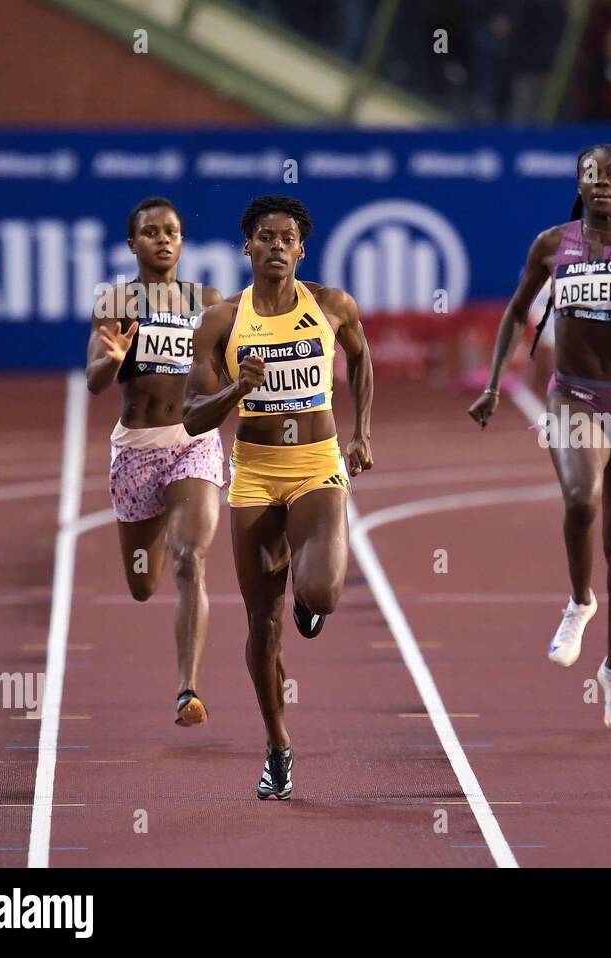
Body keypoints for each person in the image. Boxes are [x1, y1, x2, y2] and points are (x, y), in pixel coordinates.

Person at [468, 144, 611, 731]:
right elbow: (516, 311)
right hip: (573, 396)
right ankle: (579, 602)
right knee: (581, 499)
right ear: (580, 185)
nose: (601, 184)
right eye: (590, 175)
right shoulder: (551, 244)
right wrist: (493, 385)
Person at [183, 196, 373, 798]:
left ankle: (308, 602)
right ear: (247, 247)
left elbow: (362, 357)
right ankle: (277, 745)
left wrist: (362, 431)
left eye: (286, 238)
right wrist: (238, 388)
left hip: (317, 464)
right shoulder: (221, 321)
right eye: (264, 237)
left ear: (301, 249)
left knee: (319, 593)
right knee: (261, 626)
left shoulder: (333, 306)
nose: (275, 246)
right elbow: (191, 417)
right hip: (256, 475)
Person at [85, 197, 224, 727]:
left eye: (172, 231)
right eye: (150, 232)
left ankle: (188, 689)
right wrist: (112, 360)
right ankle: (169, 509)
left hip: (192, 442)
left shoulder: (209, 302)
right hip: (137, 452)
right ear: (132, 244)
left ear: (183, 242)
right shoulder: (115, 302)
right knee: (143, 586)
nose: (162, 239)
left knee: (190, 559)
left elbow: (235, 363)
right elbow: (94, 382)